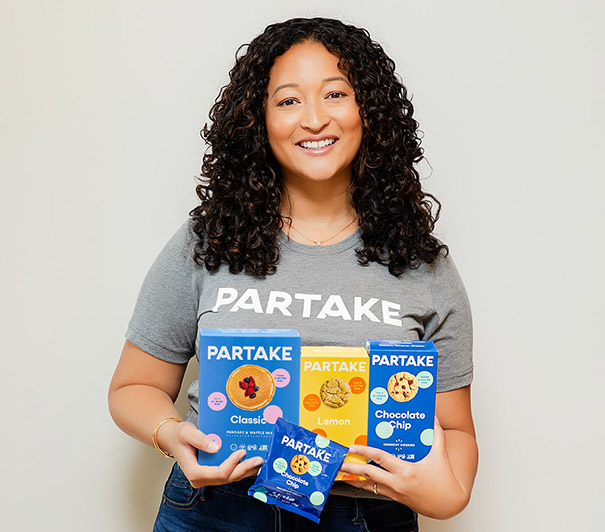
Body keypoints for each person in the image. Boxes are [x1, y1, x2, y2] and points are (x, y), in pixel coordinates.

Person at [109, 17, 478, 532]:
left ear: (367, 110)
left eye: (335, 94)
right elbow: (133, 387)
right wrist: (171, 434)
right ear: (257, 121)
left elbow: (456, 430)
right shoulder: (208, 240)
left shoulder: (422, 264)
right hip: (217, 510)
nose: (313, 119)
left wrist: (444, 496)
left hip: (364, 513)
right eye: (287, 101)